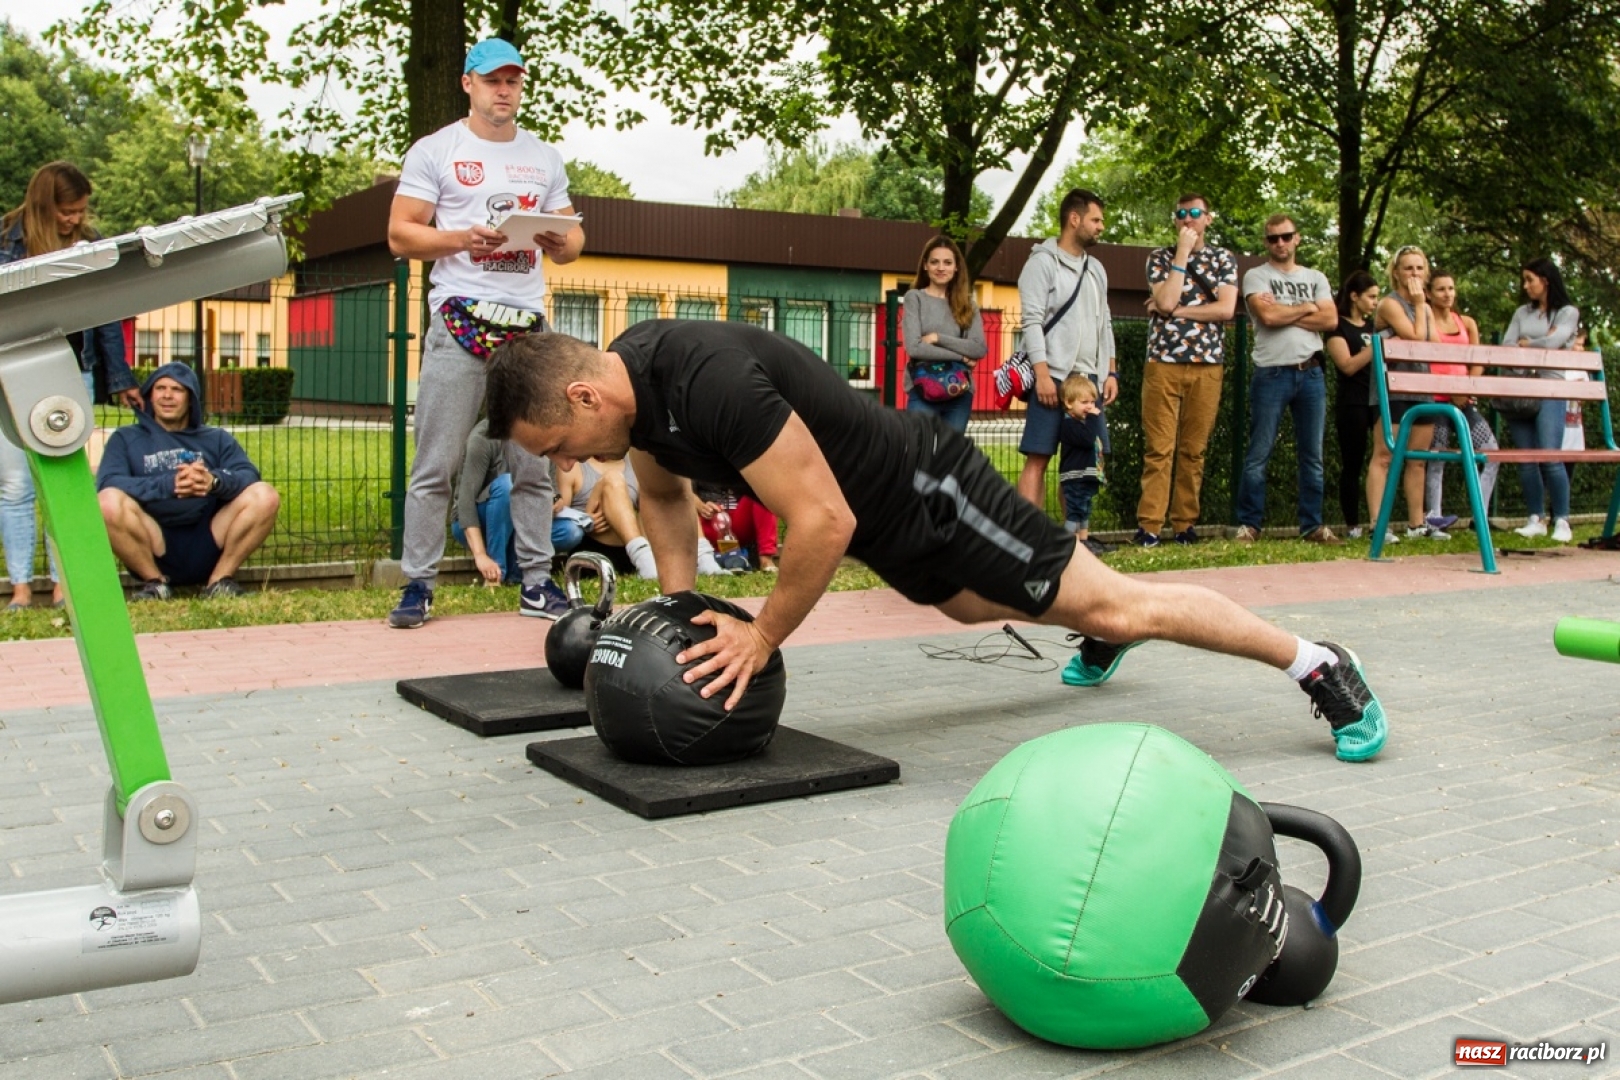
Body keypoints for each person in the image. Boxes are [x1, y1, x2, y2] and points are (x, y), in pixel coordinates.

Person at [484, 322, 1390, 764]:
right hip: (887, 518)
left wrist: (758, 636)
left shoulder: (704, 378)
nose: (568, 463)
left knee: (1115, 598)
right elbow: (669, 499)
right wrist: (677, 609)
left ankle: (1315, 663)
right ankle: (1092, 618)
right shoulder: (633, 386)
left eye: (558, 446)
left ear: (582, 400)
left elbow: (823, 524)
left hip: (930, 487)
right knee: (961, 603)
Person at [385, 37, 584, 627]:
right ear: (467, 83)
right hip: (458, 319)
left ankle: (537, 582)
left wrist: (558, 240)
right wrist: (460, 239)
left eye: (514, 81)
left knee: (532, 462)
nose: (504, 91)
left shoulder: (544, 157)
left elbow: (573, 243)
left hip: (527, 326)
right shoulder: (436, 150)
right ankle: (417, 586)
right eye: (492, 80)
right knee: (436, 461)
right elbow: (400, 234)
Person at [0, 161, 142, 610]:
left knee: (66, 480)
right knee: (14, 485)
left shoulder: (90, 245)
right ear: (45, 206)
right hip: (10, 374)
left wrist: (119, 378)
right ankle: (21, 588)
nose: (76, 219)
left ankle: (64, 583)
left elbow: (104, 315)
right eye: (67, 211)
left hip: (69, 371)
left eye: (81, 210)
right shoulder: (6, 241)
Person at [96, 364, 281, 599]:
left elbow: (247, 474)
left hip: (209, 536)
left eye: (177, 389)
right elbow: (109, 482)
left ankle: (219, 582)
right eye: (160, 388)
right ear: (150, 396)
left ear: (191, 398)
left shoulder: (216, 438)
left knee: (265, 495)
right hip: (152, 537)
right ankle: (155, 584)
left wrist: (213, 481)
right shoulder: (125, 438)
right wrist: (169, 485)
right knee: (107, 502)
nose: (167, 395)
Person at [1134, 193, 1238, 547]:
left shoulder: (1224, 259)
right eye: (1181, 214)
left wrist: (1176, 313)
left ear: (1208, 218)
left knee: (1194, 450)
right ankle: (1149, 527)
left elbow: (1225, 310)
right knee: (1159, 449)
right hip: (1162, 362)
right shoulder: (1159, 258)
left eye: (1195, 213)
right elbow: (1163, 299)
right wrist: (1180, 254)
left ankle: (1184, 525)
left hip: (1207, 366)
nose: (1188, 219)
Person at [1235, 215, 1341, 545]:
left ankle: (1312, 526)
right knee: (1258, 453)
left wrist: (1287, 310)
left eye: (1286, 236)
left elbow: (1331, 319)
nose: (1279, 243)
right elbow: (1266, 317)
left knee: (1313, 456)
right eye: (1272, 238)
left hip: (1311, 373)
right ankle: (1249, 525)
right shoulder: (1256, 275)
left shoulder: (1316, 276)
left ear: (1297, 238)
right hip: (1272, 373)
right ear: (1266, 243)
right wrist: (1308, 307)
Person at [1016, 189, 1116, 509]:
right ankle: (1028, 540)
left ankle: (1076, 541)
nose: (1101, 226)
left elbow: (1106, 325)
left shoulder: (1097, 269)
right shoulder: (1041, 263)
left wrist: (1110, 372)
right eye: (1096, 219)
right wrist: (1042, 374)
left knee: (1083, 463)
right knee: (1039, 457)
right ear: (1074, 219)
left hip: (1088, 383)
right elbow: (1031, 322)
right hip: (1053, 377)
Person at [1366, 245, 1449, 542]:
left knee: (1418, 459)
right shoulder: (1390, 304)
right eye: (1408, 268)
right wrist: (1417, 306)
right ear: (1397, 273)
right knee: (1385, 455)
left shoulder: (1425, 307)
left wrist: (1423, 309)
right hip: (1392, 389)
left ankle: (1417, 524)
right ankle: (1378, 523)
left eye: (1419, 268)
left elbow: (1433, 345)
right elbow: (1416, 339)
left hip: (1421, 386)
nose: (1414, 273)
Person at [453, 418, 590, 588]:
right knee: (506, 485)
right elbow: (465, 504)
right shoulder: (483, 437)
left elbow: (553, 493)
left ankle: (518, 575)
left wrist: (553, 502)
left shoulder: (540, 437)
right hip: (476, 524)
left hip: (520, 522)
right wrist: (480, 554)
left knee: (571, 532)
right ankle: (496, 574)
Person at [1501, 258, 1580, 543]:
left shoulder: (1567, 312)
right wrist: (1537, 344)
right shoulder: (1522, 313)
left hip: (1551, 389)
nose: (1525, 286)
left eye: (1529, 279)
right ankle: (1535, 517)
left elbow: (1554, 343)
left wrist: (1528, 343)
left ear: (1545, 280)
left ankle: (1562, 519)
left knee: (1550, 456)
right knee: (1526, 458)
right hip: (1521, 389)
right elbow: (1507, 345)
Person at [555, 457, 729, 578]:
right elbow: (559, 513)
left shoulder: (634, 462)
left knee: (670, 476)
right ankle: (643, 558)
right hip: (595, 548)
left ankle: (704, 558)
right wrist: (585, 519)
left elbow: (661, 504)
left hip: (640, 549)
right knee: (612, 479)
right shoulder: (574, 466)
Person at [1420, 272, 1498, 531]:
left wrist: (1465, 388)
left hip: (1463, 402)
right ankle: (1434, 520)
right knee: (1437, 458)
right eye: (1441, 289)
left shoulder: (1466, 322)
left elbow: (1476, 360)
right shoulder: (1427, 321)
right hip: (1437, 401)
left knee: (1491, 452)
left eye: (1451, 288)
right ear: (1429, 293)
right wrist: (1448, 388)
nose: (1447, 294)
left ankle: (1480, 516)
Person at [901, 235, 987, 434]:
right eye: (935, 262)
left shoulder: (968, 305)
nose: (941, 268)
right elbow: (914, 348)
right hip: (922, 389)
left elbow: (979, 347)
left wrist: (938, 338)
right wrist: (961, 356)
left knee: (949, 459)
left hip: (959, 392)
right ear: (925, 266)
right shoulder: (915, 298)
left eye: (948, 262)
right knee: (919, 457)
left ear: (956, 267)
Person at [1324, 271, 1380, 538]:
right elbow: (1346, 365)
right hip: (1352, 403)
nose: (1374, 303)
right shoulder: (1338, 327)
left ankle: (1377, 520)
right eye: (1371, 297)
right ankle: (1352, 524)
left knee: (1382, 459)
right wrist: (1376, 348)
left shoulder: (1373, 327)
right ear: (1355, 296)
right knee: (1353, 463)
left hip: (1377, 401)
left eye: (1377, 298)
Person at [1057, 375, 1109, 556]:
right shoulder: (1069, 425)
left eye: (1093, 402)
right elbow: (1087, 440)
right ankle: (1069, 543)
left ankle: (1084, 542)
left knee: (1085, 510)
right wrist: (1095, 419)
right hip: (1075, 477)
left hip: (1086, 476)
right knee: (1075, 510)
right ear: (1069, 403)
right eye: (1084, 402)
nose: (1090, 406)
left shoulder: (1082, 423)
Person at [694, 481, 779, 571]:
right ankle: (705, 557)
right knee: (684, 503)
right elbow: (684, 492)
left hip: (739, 520)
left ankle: (766, 560)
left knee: (763, 492)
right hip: (706, 523)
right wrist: (700, 505)